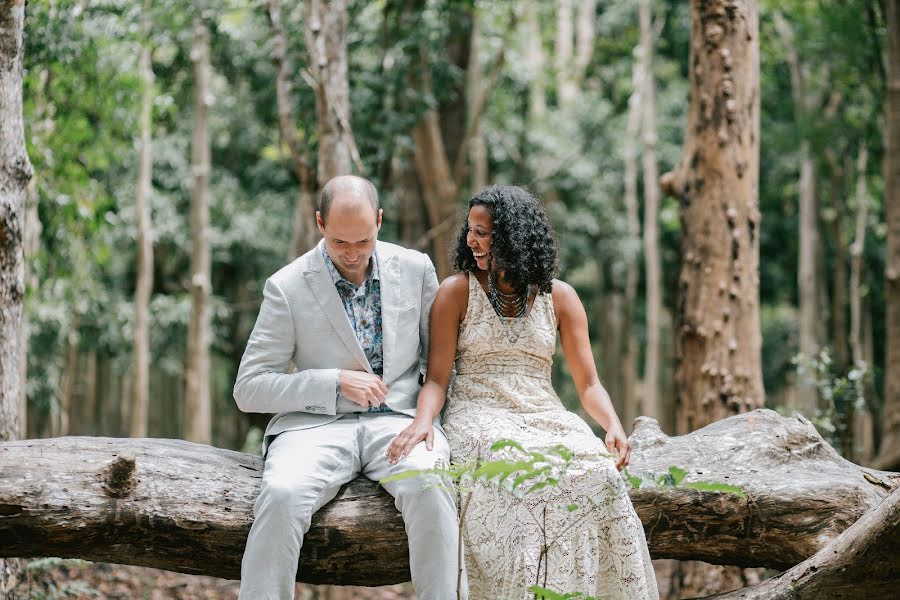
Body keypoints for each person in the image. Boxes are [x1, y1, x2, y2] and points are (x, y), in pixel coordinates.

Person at [387, 185, 658, 599]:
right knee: (520, 479)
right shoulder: (455, 291)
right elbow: (437, 380)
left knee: (599, 474)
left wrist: (613, 426)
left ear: (513, 237)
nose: (471, 241)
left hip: (543, 413)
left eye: (484, 233)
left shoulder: (560, 297)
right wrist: (422, 423)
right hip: (478, 414)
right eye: (470, 230)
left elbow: (589, 384)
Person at [234, 175, 466, 600]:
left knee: (432, 487)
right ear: (320, 223)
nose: (353, 254)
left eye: (364, 240)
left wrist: (426, 419)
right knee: (282, 494)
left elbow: (440, 366)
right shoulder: (285, 286)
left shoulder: (416, 270)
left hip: (400, 422)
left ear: (379, 221)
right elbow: (249, 387)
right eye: (341, 242)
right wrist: (332, 383)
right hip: (314, 428)